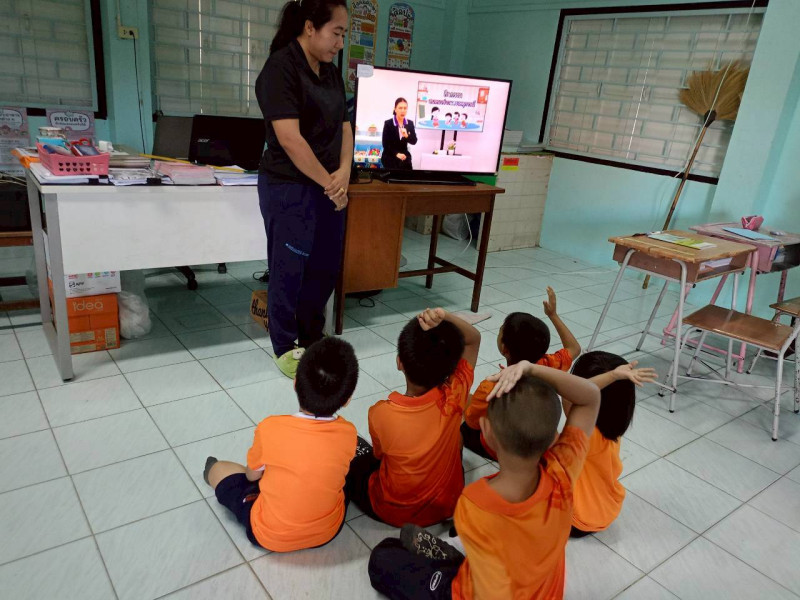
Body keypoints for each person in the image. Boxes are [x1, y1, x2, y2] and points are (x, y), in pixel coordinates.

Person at [367, 363, 601, 599]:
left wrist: (528, 369)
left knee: (382, 556)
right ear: (553, 438)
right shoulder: (563, 471)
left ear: (487, 432)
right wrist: (531, 369)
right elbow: (590, 397)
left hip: (474, 592)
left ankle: (454, 564)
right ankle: (456, 559)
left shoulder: (475, 502)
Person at [254, 0, 352, 378]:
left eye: (343, 34)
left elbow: (345, 126)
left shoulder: (330, 72)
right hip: (289, 187)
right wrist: (331, 183)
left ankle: (312, 337)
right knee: (288, 269)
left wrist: (344, 172)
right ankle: (285, 346)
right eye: (336, 33)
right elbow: (290, 140)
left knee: (324, 267)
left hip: (329, 186)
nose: (340, 43)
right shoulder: (280, 68)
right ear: (310, 27)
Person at [203, 337, 359, 552]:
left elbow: (252, 476)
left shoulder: (270, 428)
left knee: (222, 470)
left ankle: (210, 471)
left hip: (269, 534)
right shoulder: (349, 433)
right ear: (347, 399)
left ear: (295, 383)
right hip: (327, 532)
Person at [345, 307, 480, 527]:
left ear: (399, 362)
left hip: (395, 512)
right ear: (450, 367)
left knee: (356, 467)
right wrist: (444, 316)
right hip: (447, 503)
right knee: (457, 440)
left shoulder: (381, 413)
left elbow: (379, 456)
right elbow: (474, 339)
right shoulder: (455, 394)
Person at [462, 286, 581, 460]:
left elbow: (472, 422)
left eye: (501, 330)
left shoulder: (492, 386)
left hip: (505, 450)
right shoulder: (548, 366)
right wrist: (553, 315)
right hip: (535, 444)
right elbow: (574, 348)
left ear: (504, 349)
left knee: (464, 409)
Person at [569, 352, 656, 537]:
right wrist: (614, 378)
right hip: (606, 508)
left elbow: (570, 393)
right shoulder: (610, 428)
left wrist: (612, 375)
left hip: (576, 518)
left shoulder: (585, 431)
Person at [381, 97, 418, 169]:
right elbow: (385, 144)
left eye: (405, 108)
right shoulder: (388, 123)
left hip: (404, 155)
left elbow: (414, 141)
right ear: (395, 109)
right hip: (390, 155)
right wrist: (396, 154)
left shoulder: (410, 123)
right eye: (400, 108)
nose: (403, 111)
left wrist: (407, 136)